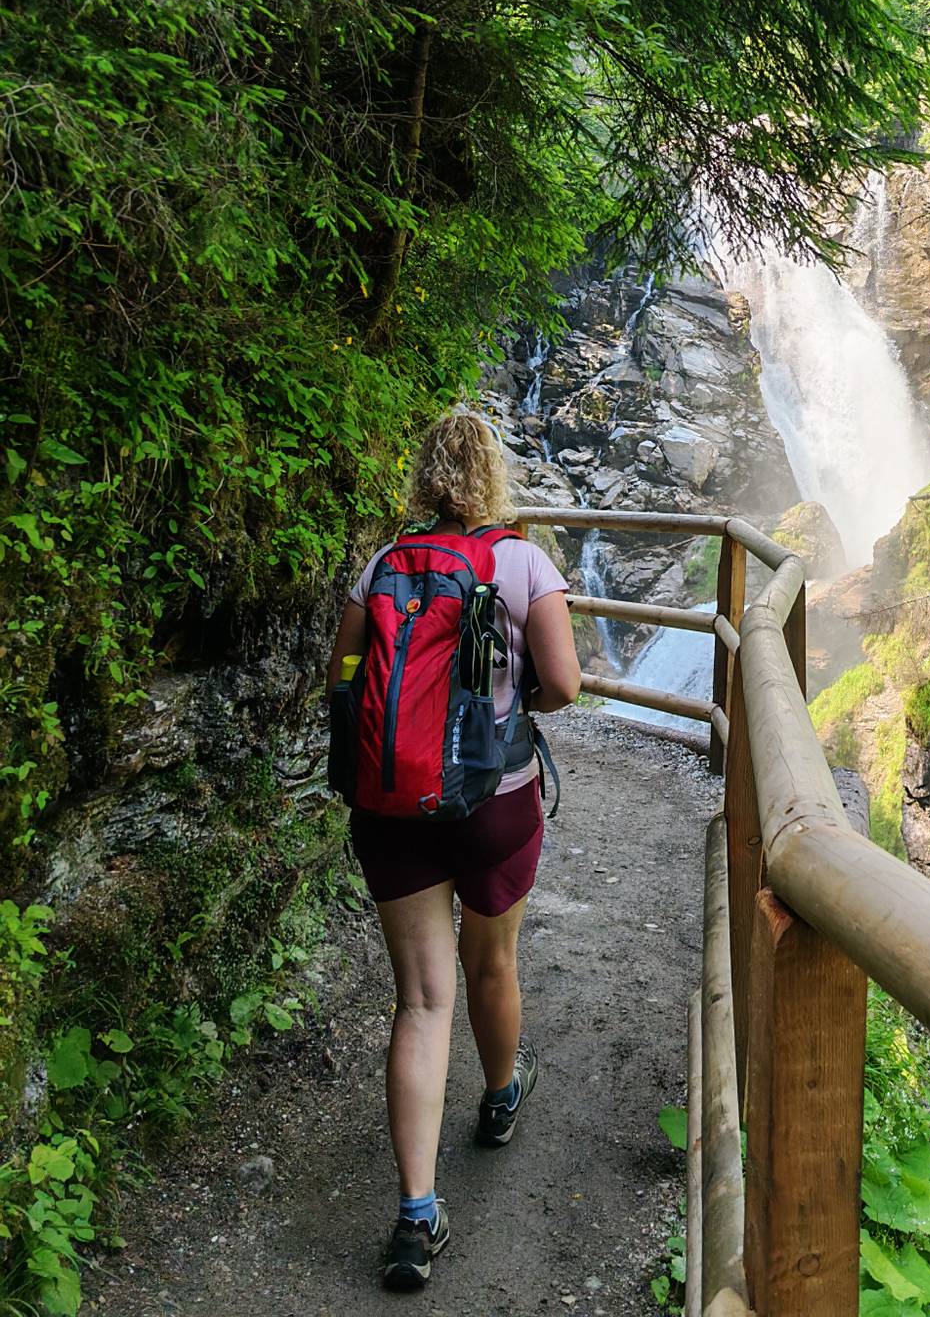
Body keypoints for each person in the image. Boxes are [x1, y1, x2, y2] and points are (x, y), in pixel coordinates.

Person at [326, 406, 581, 1292]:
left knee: (421, 1002)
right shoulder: (521, 561)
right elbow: (566, 684)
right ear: (492, 476)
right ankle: (502, 1096)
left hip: (391, 807)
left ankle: (415, 1214)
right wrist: (507, 718)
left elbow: (342, 680)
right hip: (493, 801)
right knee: (491, 964)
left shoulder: (384, 565)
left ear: (423, 475)